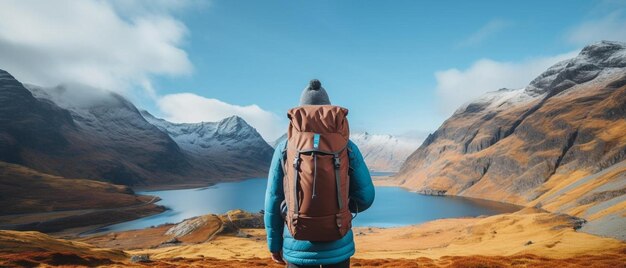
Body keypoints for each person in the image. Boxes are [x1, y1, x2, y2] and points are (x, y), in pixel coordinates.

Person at [264, 79, 375, 268]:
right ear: (328, 110)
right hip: (338, 246)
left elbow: (273, 200)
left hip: (297, 248)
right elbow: (366, 197)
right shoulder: (347, 147)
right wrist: (340, 208)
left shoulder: (284, 148)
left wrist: (274, 246)